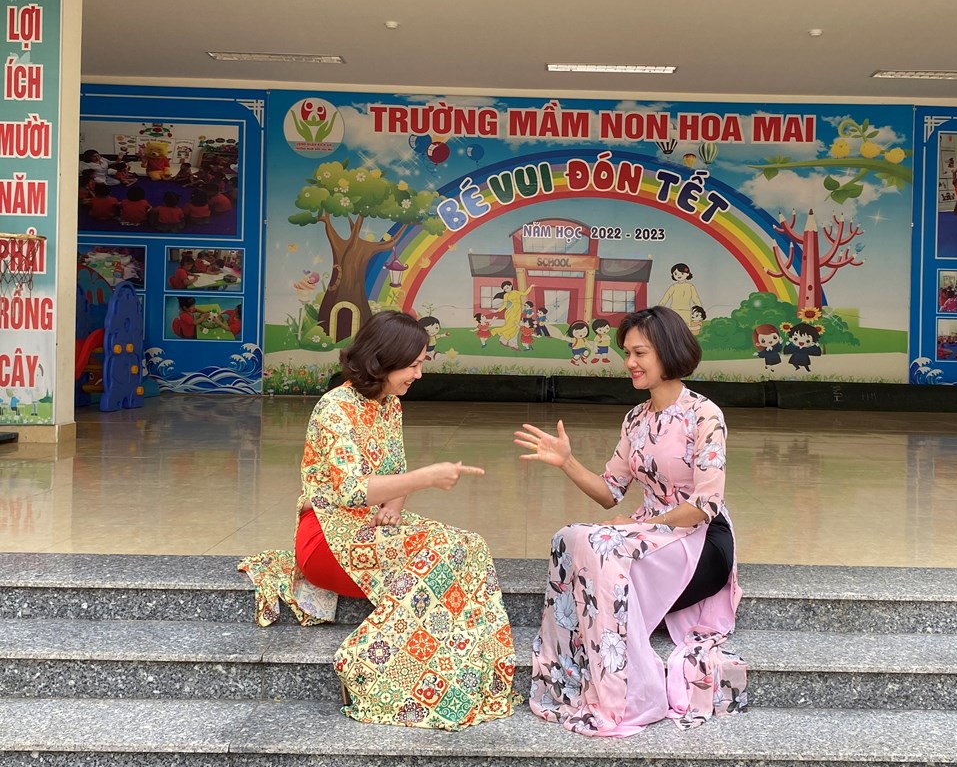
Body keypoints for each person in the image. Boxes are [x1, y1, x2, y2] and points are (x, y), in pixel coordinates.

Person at [239, 311, 519, 728]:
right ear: (383, 360)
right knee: (442, 553)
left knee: (470, 545)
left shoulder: (389, 405)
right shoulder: (334, 408)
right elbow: (352, 490)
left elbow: (394, 471)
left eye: (421, 363)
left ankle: (463, 669)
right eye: (413, 365)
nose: (419, 374)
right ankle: (365, 665)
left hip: (371, 526)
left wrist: (396, 505)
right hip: (327, 538)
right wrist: (427, 478)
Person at [515, 305, 746, 737]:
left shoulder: (704, 414)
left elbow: (704, 505)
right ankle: (567, 678)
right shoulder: (636, 418)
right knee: (570, 537)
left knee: (602, 544)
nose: (630, 363)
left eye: (640, 353)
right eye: (627, 353)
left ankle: (630, 696)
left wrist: (641, 525)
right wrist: (567, 462)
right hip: (650, 535)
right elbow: (610, 492)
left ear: (668, 352)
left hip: (701, 541)